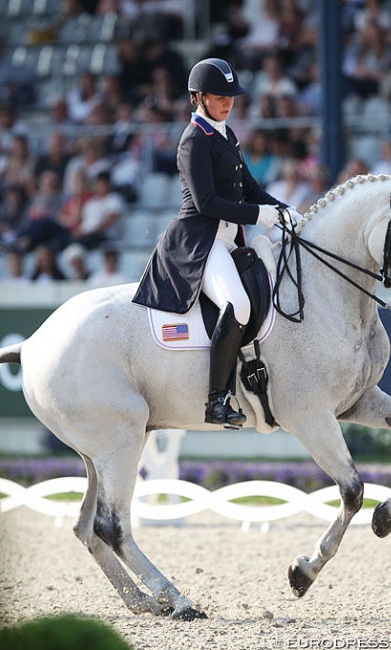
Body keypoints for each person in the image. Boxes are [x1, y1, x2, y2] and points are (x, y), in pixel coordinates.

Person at [132, 58, 300, 429]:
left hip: (228, 239)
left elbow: (250, 188)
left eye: (231, 96)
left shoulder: (227, 135)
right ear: (198, 98)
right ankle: (217, 400)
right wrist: (259, 216)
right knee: (237, 303)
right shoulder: (194, 140)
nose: (227, 102)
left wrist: (285, 211)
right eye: (219, 96)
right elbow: (207, 202)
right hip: (200, 242)